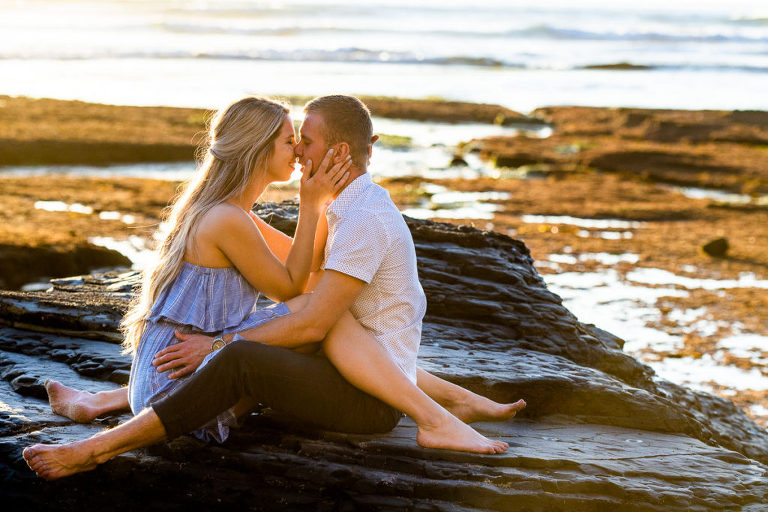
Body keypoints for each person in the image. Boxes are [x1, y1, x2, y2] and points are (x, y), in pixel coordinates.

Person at [25, 95, 525, 481]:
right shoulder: (229, 219)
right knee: (316, 320)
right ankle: (101, 443)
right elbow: (299, 294)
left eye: (302, 140)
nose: (299, 150)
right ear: (261, 148)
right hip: (176, 377)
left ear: (340, 150)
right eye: (291, 141)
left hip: (175, 364)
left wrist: (318, 211)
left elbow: (303, 280)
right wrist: (312, 209)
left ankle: (104, 402)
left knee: (319, 316)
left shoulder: (236, 214)